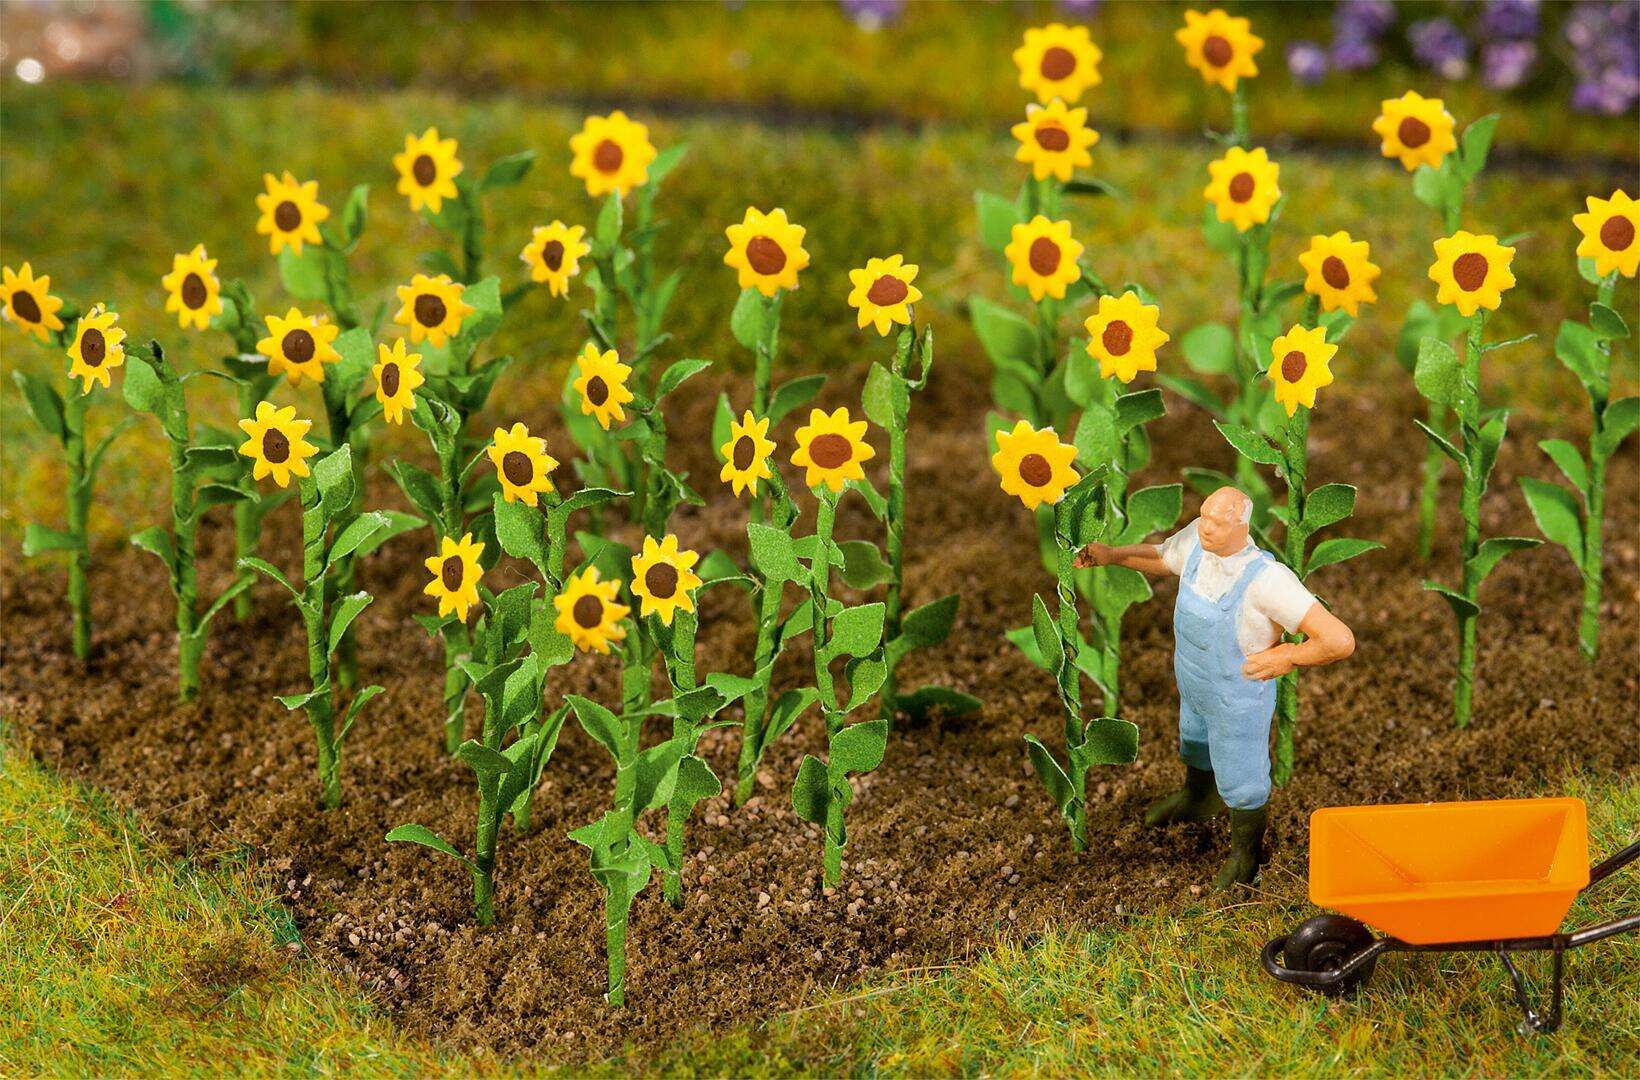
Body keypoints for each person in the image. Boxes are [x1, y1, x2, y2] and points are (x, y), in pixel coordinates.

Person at [1074, 485, 1355, 888]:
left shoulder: (1268, 581)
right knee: (1193, 741)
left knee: (1241, 776)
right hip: (1193, 681)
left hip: (1237, 696)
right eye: (1204, 516)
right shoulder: (1196, 543)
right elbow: (1161, 557)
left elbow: (1338, 639)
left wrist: (1286, 656)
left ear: (1241, 525)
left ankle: (1247, 853)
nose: (1206, 527)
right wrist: (1112, 556)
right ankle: (1198, 797)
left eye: (1218, 522)